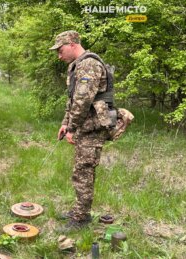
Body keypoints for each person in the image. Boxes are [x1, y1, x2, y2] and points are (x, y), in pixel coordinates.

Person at [49, 30, 114, 232]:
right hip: (85, 126)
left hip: (93, 126)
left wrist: (72, 128)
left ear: (71, 44)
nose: (59, 55)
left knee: (83, 171)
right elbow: (73, 99)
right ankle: (79, 210)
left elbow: (83, 101)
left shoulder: (89, 64)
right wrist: (65, 122)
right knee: (80, 170)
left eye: (60, 50)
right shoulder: (77, 65)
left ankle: (81, 218)